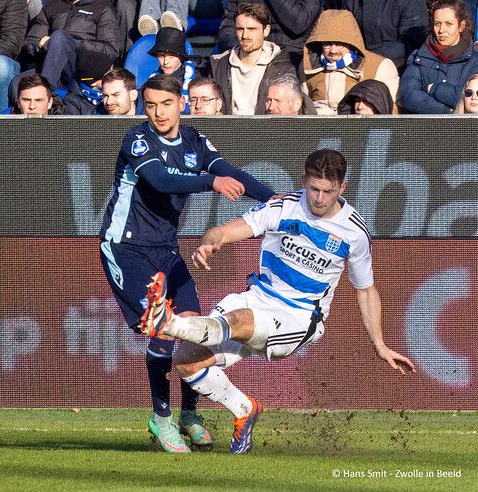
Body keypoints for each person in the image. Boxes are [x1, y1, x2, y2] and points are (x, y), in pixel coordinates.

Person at [138, 148, 416, 454]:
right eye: (314, 189)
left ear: (342, 188)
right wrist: (210, 242)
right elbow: (226, 230)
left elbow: (365, 290)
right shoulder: (283, 206)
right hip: (258, 297)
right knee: (186, 363)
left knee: (239, 320)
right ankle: (245, 409)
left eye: (328, 191)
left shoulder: (355, 233)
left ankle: (168, 322)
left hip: (298, 318)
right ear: (304, 181)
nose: (319, 199)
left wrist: (379, 344)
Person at [99, 74, 275, 453]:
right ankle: (161, 419)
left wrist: (278, 203)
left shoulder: (194, 140)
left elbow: (233, 173)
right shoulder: (138, 139)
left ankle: (189, 414)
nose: (159, 112)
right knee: (162, 331)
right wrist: (210, 181)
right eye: (151, 105)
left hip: (165, 248)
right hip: (126, 248)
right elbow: (160, 180)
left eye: (166, 103)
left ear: (180, 102)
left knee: (193, 329)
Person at [301, 9, 400, 115]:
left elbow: (392, 112)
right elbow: (301, 105)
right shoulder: (307, 67)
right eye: (327, 44)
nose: (333, 51)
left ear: (351, 43)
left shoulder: (381, 66)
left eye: (340, 44)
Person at [210, 2, 296, 115]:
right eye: (240, 29)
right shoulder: (219, 65)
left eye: (251, 29)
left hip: (266, 130)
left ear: (266, 30)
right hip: (227, 130)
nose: (245, 35)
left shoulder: (283, 67)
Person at [398, 0, 478, 114]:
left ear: (461, 26)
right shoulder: (418, 57)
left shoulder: (475, 60)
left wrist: (433, 88)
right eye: (437, 24)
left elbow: (470, 95)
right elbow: (409, 95)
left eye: (448, 24)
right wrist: (447, 111)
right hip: (425, 128)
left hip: (465, 128)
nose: (441, 30)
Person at [23, 0, 121, 91]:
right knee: (18, 82)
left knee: (60, 37)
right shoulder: (52, 6)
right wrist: (40, 47)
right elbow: (30, 42)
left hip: (83, 70)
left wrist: (76, 44)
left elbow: (111, 50)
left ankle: (45, 91)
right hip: (52, 65)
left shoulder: (102, 7)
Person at [218, 0, 324, 69]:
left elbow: (298, 23)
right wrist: (237, 53)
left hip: (293, 57)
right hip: (251, 57)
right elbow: (228, 27)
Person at [338, 0, 428, 73]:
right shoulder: (351, 2)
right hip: (356, 66)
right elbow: (343, 32)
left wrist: (367, 58)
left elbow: (410, 43)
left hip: (398, 69)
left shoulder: (411, 2)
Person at [147, 27, 195, 112]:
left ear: (181, 57)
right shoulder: (149, 83)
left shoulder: (196, 82)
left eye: (171, 56)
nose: (165, 62)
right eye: (161, 56)